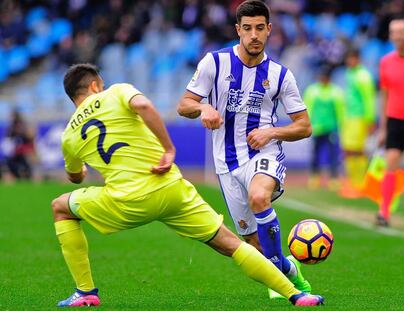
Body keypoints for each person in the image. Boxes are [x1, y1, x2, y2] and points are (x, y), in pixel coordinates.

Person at [52, 63, 324, 307]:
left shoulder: (69, 135)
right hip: (171, 188)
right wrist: (168, 149)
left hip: (126, 202)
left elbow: (75, 176)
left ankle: (85, 291)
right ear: (95, 85)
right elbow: (144, 106)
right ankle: (297, 295)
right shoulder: (117, 92)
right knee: (232, 244)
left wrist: (83, 167)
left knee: (61, 208)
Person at [177, 0, 313, 298]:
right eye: (248, 28)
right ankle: (287, 269)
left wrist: (271, 132)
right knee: (253, 248)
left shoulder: (280, 75)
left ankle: (285, 287)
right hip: (226, 164)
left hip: (263, 154)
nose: (254, 35)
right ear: (238, 30)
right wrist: (203, 108)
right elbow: (183, 104)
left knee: (259, 196)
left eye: (260, 28)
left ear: (269, 30)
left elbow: (304, 126)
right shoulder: (214, 62)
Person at [377, 18, 404, 227]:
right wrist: (383, 128)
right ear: (390, 36)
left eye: (401, 32)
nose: (397, 36)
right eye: (394, 32)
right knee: (391, 164)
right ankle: (384, 212)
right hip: (396, 120)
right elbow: (385, 95)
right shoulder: (386, 62)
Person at [340, 49, 376, 198]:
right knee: (347, 149)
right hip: (349, 117)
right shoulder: (350, 74)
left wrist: (370, 120)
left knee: (358, 150)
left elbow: (369, 99)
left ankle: (360, 184)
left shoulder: (363, 76)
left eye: (351, 59)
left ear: (357, 59)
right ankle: (352, 182)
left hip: (359, 118)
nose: (349, 62)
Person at [303, 66, 344, 190]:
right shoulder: (312, 91)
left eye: (325, 78)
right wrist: (308, 124)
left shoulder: (335, 91)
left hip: (331, 128)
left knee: (333, 155)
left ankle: (334, 178)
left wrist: (339, 126)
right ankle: (315, 177)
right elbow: (307, 108)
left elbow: (340, 110)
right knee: (315, 154)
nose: (323, 80)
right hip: (316, 128)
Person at [6, 109, 35, 180]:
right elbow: (9, 135)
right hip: (17, 150)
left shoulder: (22, 124)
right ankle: (18, 176)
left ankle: (28, 177)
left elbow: (29, 136)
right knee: (10, 162)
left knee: (26, 164)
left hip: (25, 149)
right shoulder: (12, 126)